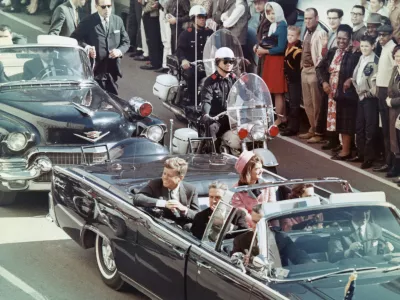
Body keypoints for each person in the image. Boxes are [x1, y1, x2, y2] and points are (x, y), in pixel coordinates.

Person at [316, 24, 362, 161]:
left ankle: (346, 151)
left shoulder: (355, 54)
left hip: (346, 93)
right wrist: (324, 82)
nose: (341, 41)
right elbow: (320, 68)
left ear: (350, 38)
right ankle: (340, 146)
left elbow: (357, 72)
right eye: (339, 38)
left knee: (345, 121)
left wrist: (350, 79)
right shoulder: (333, 51)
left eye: (345, 38)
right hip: (331, 92)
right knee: (335, 120)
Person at [71, 0, 130, 95]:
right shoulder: (88, 22)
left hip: (112, 71)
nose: (107, 9)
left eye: (109, 6)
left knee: (113, 100)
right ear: (96, 6)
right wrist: (87, 48)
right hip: (95, 71)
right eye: (103, 7)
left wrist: (119, 51)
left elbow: (126, 42)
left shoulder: (117, 21)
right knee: (95, 101)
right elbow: (74, 38)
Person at [232, 204, 312, 267]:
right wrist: (242, 262)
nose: (257, 226)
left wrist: (309, 264)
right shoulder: (240, 240)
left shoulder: (281, 238)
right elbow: (233, 262)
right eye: (254, 222)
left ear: (269, 223)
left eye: (260, 222)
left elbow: (298, 256)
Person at [132, 157, 200, 225]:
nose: (164, 177)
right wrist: (164, 203)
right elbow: (137, 198)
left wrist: (184, 210)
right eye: (164, 173)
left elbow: (199, 216)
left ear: (180, 178)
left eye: (169, 176)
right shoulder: (156, 184)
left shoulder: (191, 190)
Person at [255, 2, 288, 127]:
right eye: (269, 13)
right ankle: (281, 117)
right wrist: (259, 48)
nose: (271, 15)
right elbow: (269, 42)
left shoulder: (282, 26)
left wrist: (264, 51)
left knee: (278, 92)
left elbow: (280, 47)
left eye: (273, 13)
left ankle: (280, 118)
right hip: (270, 60)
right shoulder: (274, 25)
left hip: (277, 61)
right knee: (273, 91)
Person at [298, 8, 327, 144]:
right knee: (308, 103)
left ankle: (318, 132)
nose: (307, 21)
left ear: (317, 18)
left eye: (310, 18)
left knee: (317, 104)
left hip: (314, 71)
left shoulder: (320, 32)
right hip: (305, 69)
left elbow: (322, 55)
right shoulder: (307, 32)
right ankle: (312, 127)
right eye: (305, 18)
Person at [351, 35, 380, 169]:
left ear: (373, 46)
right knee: (359, 127)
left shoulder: (375, 61)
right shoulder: (362, 58)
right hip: (360, 96)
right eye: (362, 46)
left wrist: (367, 94)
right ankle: (361, 153)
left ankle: (369, 158)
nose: (364, 48)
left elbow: (375, 83)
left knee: (370, 128)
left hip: (369, 98)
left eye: (366, 46)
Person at [176, 5, 213, 104]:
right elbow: (179, 49)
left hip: (207, 64)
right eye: (199, 17)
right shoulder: (186, 34)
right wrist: (183, 60)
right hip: (192, 65)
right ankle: (192, 102)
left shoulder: (210, 32)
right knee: (193, 75)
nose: (202, 20)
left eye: (204, 17)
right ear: (193, 19)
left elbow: (217, 46)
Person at [373, 24, 397, 173]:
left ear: (390, 35)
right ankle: (388, 161)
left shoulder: (392, 49)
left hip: (388, 92)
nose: (381, 37)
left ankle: (392, 163)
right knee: (385, 129)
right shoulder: (384, 48)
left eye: (384, 35)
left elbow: (395, 71)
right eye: (379, 34)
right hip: (381, 90)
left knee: (390, 130)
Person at [201, 47, 237, 144]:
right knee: (211, 129)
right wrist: (206, 114)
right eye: (225, 61)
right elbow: (206, 100)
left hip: (232, 118)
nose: (229, 64)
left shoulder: (234, 79)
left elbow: (244, 94)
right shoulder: (210, 82)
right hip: (216, 119)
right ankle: (212, 154)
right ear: (217, 62)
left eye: (231, 61)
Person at [231, 151, 276, 225]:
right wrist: (256, 225)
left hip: (268, 223)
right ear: (247, 172)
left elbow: (272, 206)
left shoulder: (267, 185)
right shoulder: (237, 190)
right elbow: (243, 214)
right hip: (248, 227)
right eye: (257, 169)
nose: (261, 171)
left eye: (261, 168)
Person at [281, 25, 302, 136]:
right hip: (289, 79)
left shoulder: (298, 50)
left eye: (292, 35)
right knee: (291, 103)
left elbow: (298, 68)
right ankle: (290, 124)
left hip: (295, 80)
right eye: (288, 35)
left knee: (294, 104)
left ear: (298, 36)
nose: (290, 37)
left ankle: (293, 127)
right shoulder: (288, 46)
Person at [384, 45, 400, 177]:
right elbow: (390, 87)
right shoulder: (395, 69)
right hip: (393, 110)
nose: (398, 59)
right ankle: (396, 167)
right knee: (393, 138)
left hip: (397, 107)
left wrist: (392, 101)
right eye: (396, 56)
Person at [140, 0, 163, 71]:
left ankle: (155, 62)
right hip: (149, 13)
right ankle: (153, 60)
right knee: (150, 39)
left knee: (153, 39)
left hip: (152, 14)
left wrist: (146, 7)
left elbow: (153, 3)